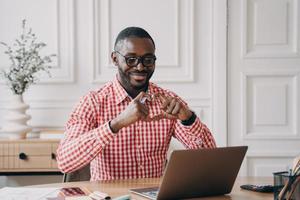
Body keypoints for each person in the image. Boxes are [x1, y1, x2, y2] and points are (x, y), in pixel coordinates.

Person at [56, 27, 216, 181]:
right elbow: (65, 162)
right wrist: (116, 124)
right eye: (131, 59)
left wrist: (188, 118)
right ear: (115, 59)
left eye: (148, 60)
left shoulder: (168, 101)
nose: (140, 67)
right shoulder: (93, 102)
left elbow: (210, 159)